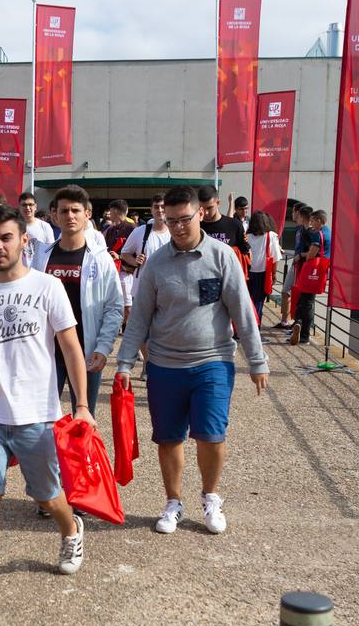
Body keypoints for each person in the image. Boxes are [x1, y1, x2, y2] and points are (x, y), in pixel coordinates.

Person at [0, 204, 94, 623]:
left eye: (6, 238)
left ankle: (70, 529)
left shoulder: (48, 287)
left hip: (37, 412)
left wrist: (82, 406)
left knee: (46, 495)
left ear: (23, 241)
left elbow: (70, 347)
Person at [116, 185, 269, 536]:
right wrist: (125, 362)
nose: (178, 227)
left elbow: (242, 310)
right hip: (165, 364)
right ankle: (173, 501)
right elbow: (139, 316)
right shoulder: (155, 263)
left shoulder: (222, 256)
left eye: (185, 219)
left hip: (213, 361)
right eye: (171, 221)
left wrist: (257, 360)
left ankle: (211, 497)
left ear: (201, 213)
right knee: (168, 438)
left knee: (211, 436)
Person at [29, 185, 123, 417]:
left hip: (86, 352)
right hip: (47, 353)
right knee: (40, 420)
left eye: (75, 210)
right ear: (55, 215)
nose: (70, 216)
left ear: (87, 214)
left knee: (83, 420)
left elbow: (114, 307)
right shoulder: (41, 257)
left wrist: (103, 347)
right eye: (64, 211)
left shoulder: (100, 260)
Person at [118, 192, 171, 335]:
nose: (160, 210)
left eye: (162, 206)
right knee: (143, 329)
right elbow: (125, 253)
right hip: (143, 287)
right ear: (151, 209)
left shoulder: (174, 231)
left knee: (165, 328)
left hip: (168, 288)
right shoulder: (141, 231)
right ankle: (148, 356)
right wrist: (135, 261)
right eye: (156, 207)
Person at [289, 211, 329, 346]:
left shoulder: (319, 234)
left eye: (312, 221)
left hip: (313, 271)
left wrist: (301, 255)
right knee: (306, 301)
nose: (311, 224)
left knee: (306, 302)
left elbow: (311, 255)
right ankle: (300, 325)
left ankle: (303, 333)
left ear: (319, 221)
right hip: (321, 271)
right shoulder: (328, 232)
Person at [197, 184, 251, 274]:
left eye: (209, 208)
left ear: (218, 203)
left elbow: (245, 252)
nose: (205, 212)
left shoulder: (234, 225)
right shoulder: (196, 226)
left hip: (229, 278)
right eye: (201, 208)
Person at [278, 206, 312, 330]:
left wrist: (300, 256)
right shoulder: (299, 229)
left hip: (301, 265)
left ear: (298, 214)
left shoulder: (309, 231)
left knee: (297, 295)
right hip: (295, 263)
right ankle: (286, 321)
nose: (292, 214)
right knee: (286, 291)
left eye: (293, 211)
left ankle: (295, 322)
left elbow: (311, 251)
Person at [101, 199, 136, 317]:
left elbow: (138, 252)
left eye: (110, 211)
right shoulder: (110, 229)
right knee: (113, 304)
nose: (109, 214)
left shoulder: (132, 228)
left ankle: (130, 332)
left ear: (115, 211)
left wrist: (120, 257)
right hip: (112, 271)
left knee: (127, 305)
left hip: (126, 272)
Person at [245, 212, 281, 324]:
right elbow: (275, 257)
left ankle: (245, 327)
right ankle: (256, 327)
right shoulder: (271, 236)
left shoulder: (246, 236)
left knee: (248, 300)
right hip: (263, 273)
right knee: (259, 302)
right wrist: (274, 274)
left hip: (247, 273)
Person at [19, 191, 55, 264]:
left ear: (35, 207)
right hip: (19, 271)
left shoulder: (45, 226)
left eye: (30, 205)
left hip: (40, 270)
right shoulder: (14, 226)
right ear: (19, 207)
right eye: (24, 205)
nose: (27, 208)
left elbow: (50, 251)